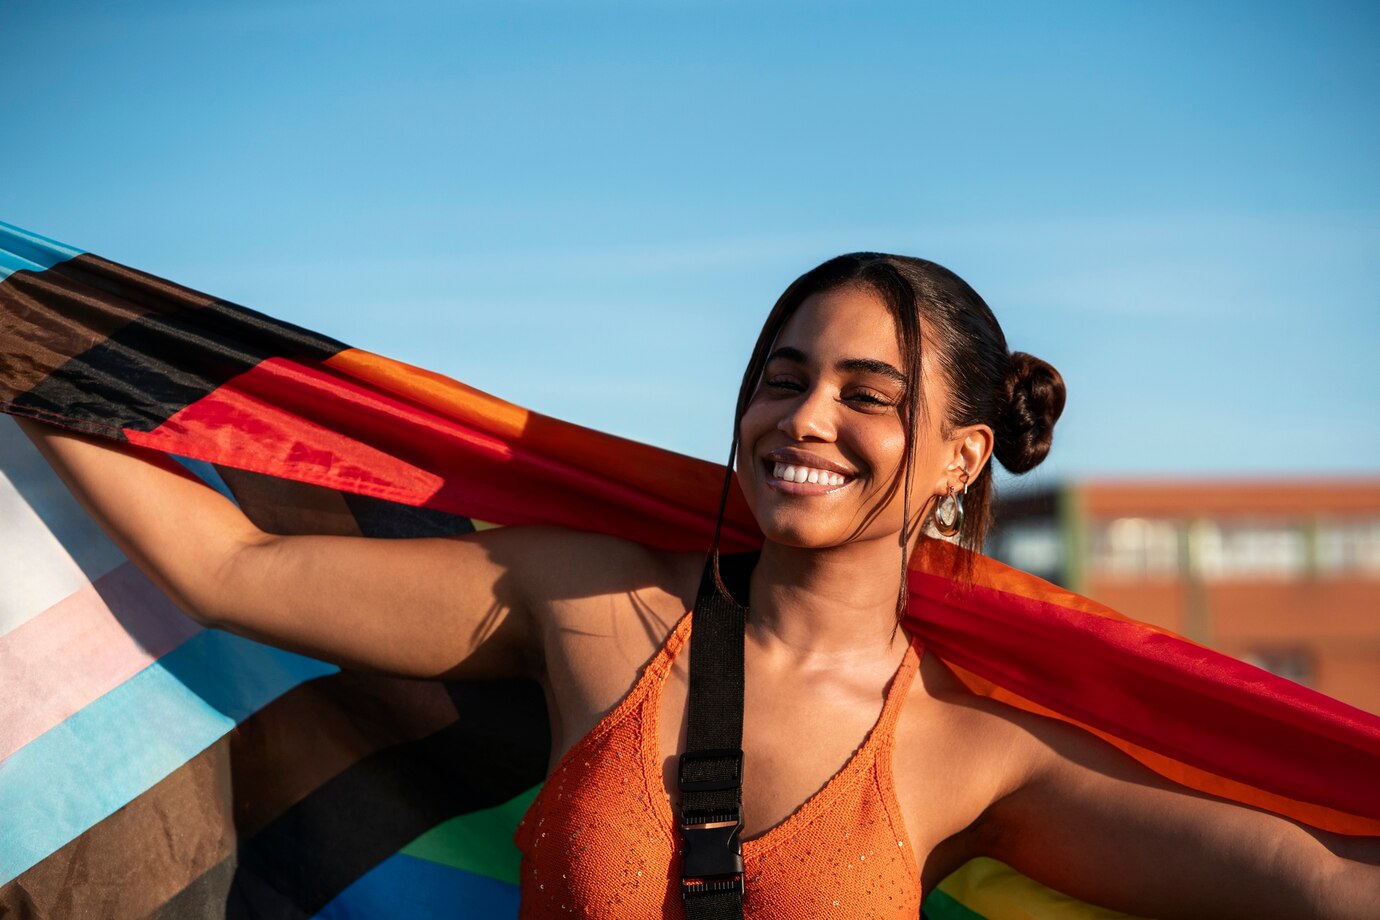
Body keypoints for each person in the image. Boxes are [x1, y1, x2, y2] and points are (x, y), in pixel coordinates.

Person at [16, 253, 1379, 918]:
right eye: (780, 378)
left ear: (964, 456)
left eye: (868, 395)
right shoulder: (597, 605)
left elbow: (1323, 889)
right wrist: (24, 339)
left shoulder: (973, 755)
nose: (804, 419)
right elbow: (226, 565)